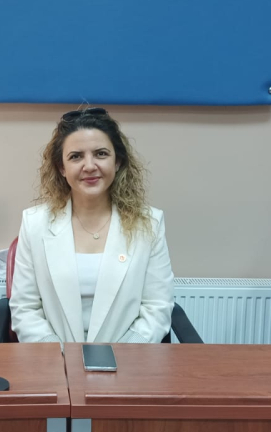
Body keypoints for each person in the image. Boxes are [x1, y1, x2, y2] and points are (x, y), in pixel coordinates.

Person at [10, 107, 174, 343]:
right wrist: (61, 357)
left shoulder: (149, 224)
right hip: (55, 358)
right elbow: (25, 309)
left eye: (101, 154)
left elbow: (156, 309)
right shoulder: (34, 224)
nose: (89, 166)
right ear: (61, 168)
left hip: (127, 357)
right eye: (76, 156)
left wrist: (117, 358)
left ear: (117, 162)